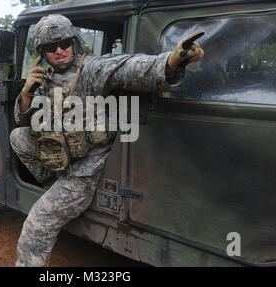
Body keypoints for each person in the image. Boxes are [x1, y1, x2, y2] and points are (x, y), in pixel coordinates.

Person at [10, 14, 204, 266]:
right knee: (18, 137)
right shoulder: (45, 77)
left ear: (74, 43)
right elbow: (22, 120)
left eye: (64, 43)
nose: (59, 51)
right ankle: (52, 183)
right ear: (41, 52)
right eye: (50, 47)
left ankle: (62, 200)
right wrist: (26, 91)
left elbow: (129, 67)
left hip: (84, 170)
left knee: (36, 226)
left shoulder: (92, 69)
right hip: (62, 156)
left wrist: (172, 61)